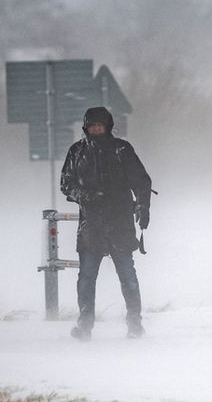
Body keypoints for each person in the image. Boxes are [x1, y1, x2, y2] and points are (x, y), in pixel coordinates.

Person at [60, 106, 152, 340]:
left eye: (100, 127)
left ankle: (134, 324)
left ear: (108, 127)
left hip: (120, 221)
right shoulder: (77, 152)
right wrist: (84, 195)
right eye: (92, 127)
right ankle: (85, 326)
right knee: (87, 276)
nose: (96, 131)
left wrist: (143, 206)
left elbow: (141, 181)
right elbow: (66, 183)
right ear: (86, 128)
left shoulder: (122, 150)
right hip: (91, 224)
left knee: (127, 275)